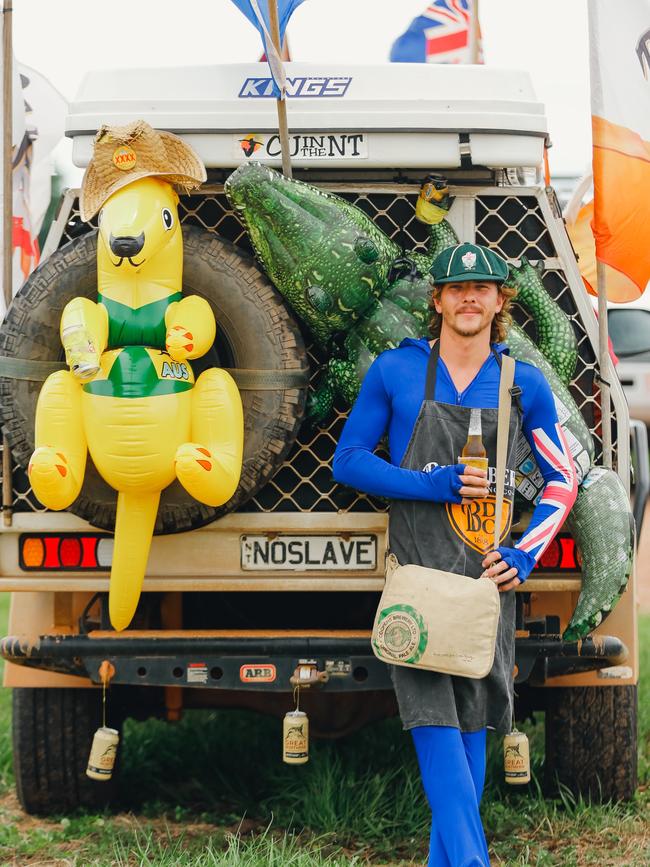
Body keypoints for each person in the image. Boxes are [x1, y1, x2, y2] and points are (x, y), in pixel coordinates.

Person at [332, 242, 578, 867]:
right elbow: (350, 460)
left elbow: (560, 480)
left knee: (473, 722)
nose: (470, 296)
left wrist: (524, 556)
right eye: (457, 287)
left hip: (484, 578)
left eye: (483, 287)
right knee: (430, 718)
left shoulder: (523, 383)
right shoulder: (394, 370)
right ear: (437, 300)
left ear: (500, 302)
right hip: (418, 578)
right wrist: (430, 483)